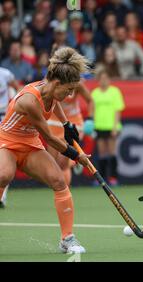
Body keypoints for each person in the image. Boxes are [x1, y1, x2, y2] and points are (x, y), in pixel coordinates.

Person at [0, 47, 91, 253]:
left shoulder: (49, 89)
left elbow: (53, 101)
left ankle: (67, 239)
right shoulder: (30, 100)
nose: (70, 95)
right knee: (4, 176)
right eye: (68, 90)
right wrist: (77, 156)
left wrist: (67, 124)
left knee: (59, 181)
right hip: (6, 141)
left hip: (29, 144)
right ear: (57, 83)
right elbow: (49, 137)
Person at [47, 79, 93, 186]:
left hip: (73, 123)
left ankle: (64, 191)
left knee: (63, 162)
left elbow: (90, 100)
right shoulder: (50, 82)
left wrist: (90, 119)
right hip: (54, 123)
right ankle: (73, 163)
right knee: (52, 162)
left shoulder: (77, 83)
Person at [91, 69, 125, 186]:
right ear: (98, 80)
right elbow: (92, 111)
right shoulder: (95, 93)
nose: (104, 81)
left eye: (106, 79)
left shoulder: (115, 92)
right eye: (101, 79)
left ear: (109, 80)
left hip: (111, 127)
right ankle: (102, 179)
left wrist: (115, 127)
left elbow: (117, 110)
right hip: (99, 126)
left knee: (111, 152)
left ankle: (113, 178)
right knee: (101, 153)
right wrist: (92, 125)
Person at [0, 67, 20, 208]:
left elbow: (18, 89)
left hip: (3, 118)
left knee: (3, 158)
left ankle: (2, 197)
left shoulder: (5, 73)